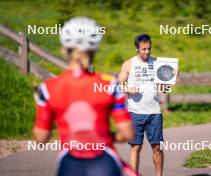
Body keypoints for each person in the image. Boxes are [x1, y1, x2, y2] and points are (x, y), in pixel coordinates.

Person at [32, 17, 136, 176]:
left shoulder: (47, 88)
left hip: (69, 164)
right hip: (105, 161)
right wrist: (109, 136)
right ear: (94, 50)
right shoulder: (109, 85)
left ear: (64, 49)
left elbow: (41, 137)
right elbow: (127, 133)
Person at [118, 34, 178, 176]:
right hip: (135, 112)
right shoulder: (128, 64)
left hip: (154, 113)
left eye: (149, 49)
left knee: (157, 147)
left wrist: (174, 75)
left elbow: (165, 88)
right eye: (144, 49)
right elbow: (119, 84)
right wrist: (127, 88)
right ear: (137, 49)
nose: (147, 52)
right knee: (135, 147)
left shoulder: (157, 63)